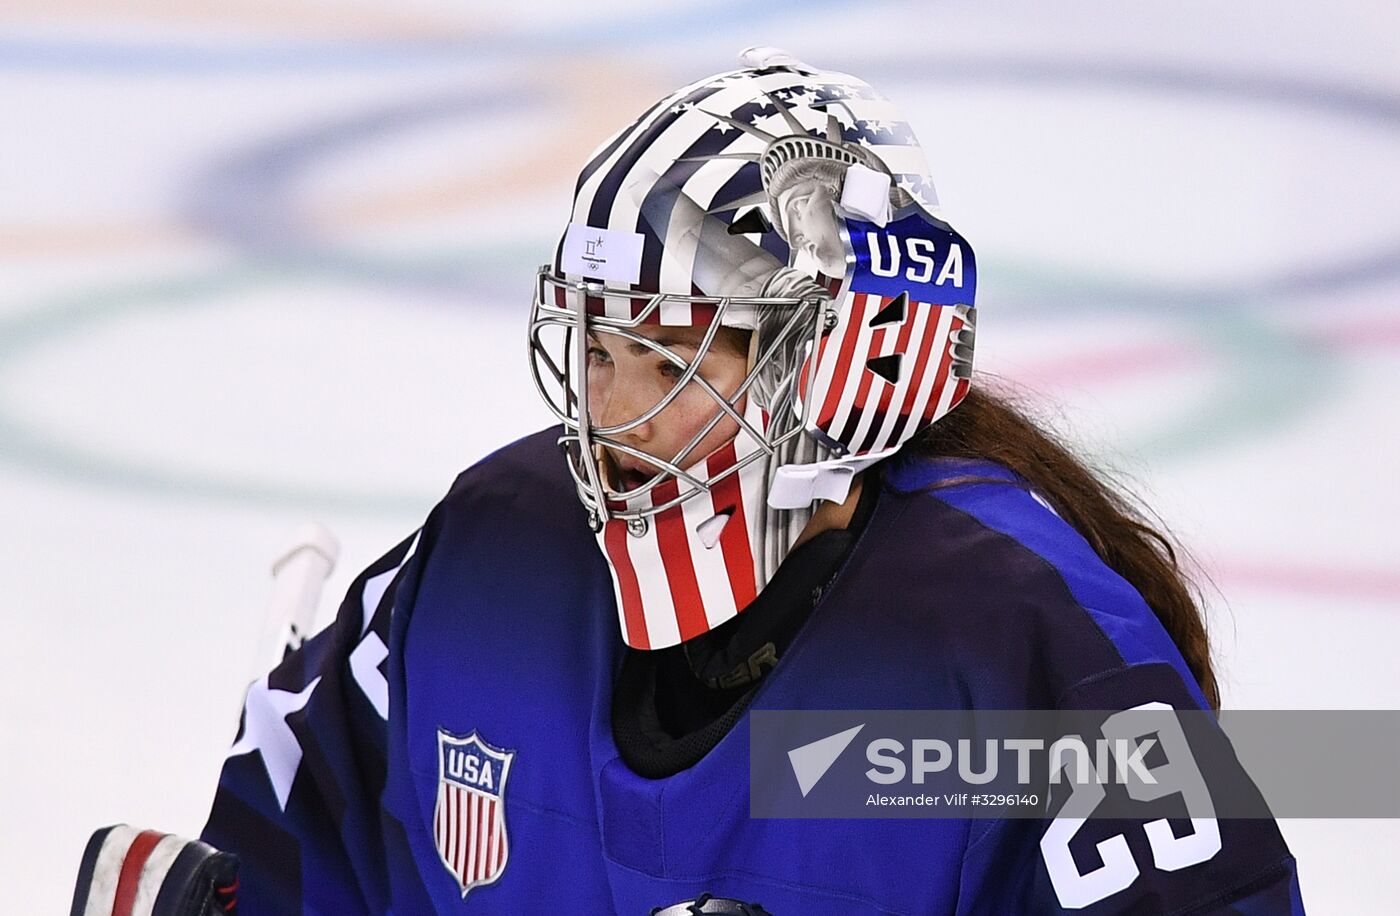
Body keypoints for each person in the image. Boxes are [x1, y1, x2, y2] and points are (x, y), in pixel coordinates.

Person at [78, 49, 1305, 914]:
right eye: (600, 350)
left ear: (841, 353)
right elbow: (308, 851)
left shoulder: (1020, 651)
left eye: (666, 358)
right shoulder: (489, 563)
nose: (609, 413)